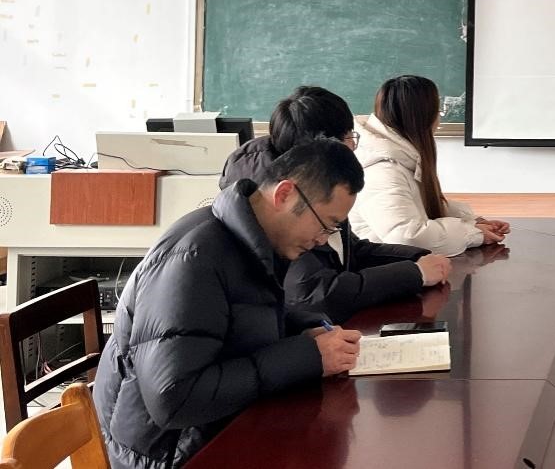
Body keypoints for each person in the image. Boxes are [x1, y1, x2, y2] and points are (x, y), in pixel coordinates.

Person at [94, 139, 366, 469]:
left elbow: (232, 321)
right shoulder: (194, 258)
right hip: (166, 454)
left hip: (210, 432)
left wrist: (301, 329)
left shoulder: (249, 240)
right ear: (284, 194)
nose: (323, 239)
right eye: (324, 224)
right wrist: (305, 356)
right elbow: (174, 399)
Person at [219, 85, 451, 321]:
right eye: (349, 137)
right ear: (325, 148)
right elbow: (314, 295)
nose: (353, 146)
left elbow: (352, 251)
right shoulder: (285, 206)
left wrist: (418, 259)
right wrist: (415, 274)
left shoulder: (320, 183)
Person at [350, 75, 510, 254]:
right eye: (437, 111)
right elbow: (407, 237)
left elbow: (417, 206)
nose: (438, 119)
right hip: (382, 264)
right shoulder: (382, 169)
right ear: (424, 117)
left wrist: (472, 223)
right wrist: (472, 233)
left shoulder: (398, 156)